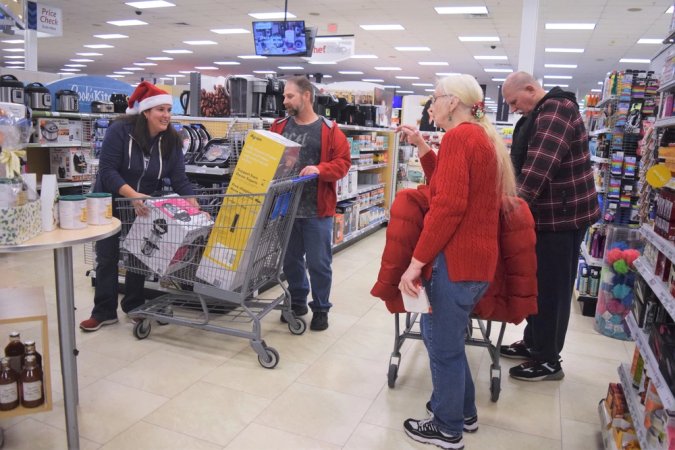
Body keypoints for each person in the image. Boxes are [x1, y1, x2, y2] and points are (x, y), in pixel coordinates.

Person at [396, 74, 517, 450]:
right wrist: (421, 145)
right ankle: (464, 411)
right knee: (450, 341)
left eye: (434, 98)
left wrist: (416, 263)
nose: (431, 105)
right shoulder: (480, 138)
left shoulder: (460, 137)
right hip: (477, 263)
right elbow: (450, 185)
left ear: (452, 102)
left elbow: (446, 207)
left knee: (441, 345)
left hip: (456, 262)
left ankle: (447, 429)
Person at [499, 71, 600, 381]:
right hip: (548, 217)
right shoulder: (541, 112)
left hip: (562, 220)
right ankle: (534, 343)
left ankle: (548, 359)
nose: (514, 109)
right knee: (539, 286)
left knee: (553, 290)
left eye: (515, 101)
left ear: (531, 88)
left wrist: (512, 208)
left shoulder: (557, 109)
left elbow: (539, 167)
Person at [79, 81, 197, 332]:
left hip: (143, 202)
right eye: (160, 110)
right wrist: (132, 195)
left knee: (139, 255)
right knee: (107, 256)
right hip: (110, 197)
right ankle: (103, 311)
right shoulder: (120, 130)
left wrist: (194, 205)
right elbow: (107, 170)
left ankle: (134, 306)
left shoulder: (171, 140)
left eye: (168, 110)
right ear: (146, 112)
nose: (166, 115)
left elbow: (179, 178)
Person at [269, 76, 351, 331]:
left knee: (319, 263)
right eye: (284, 96)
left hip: (317, 210)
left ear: (306, 96)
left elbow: (343, 163)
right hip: (286, 209)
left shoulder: (329, 129)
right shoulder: (279, 126)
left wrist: (319, 168)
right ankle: (297, 301)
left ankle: (321, 308)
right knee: (290, 261)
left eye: (289, 96)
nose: (285, 101)